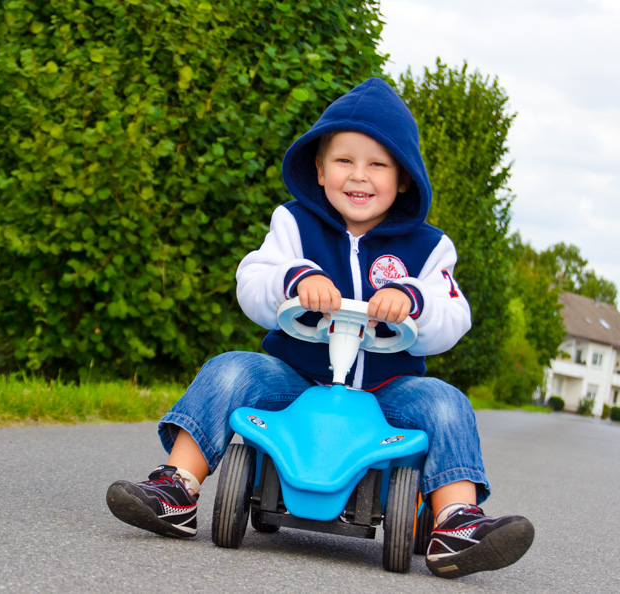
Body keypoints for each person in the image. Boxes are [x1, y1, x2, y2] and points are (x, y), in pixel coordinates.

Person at [106, 78, 534, 579]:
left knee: (445, 401)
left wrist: (412, 301)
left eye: (378, 164)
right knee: (230, 370)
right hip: (297, 380)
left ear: (404, 178)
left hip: (387, 390)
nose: (360, 177)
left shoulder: (428, 247)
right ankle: (177, 487)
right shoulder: (295, 226)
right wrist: (296, 278)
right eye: (344, 161)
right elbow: (254, 280)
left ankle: (456, 521)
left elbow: (452, 313)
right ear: (320, 168)